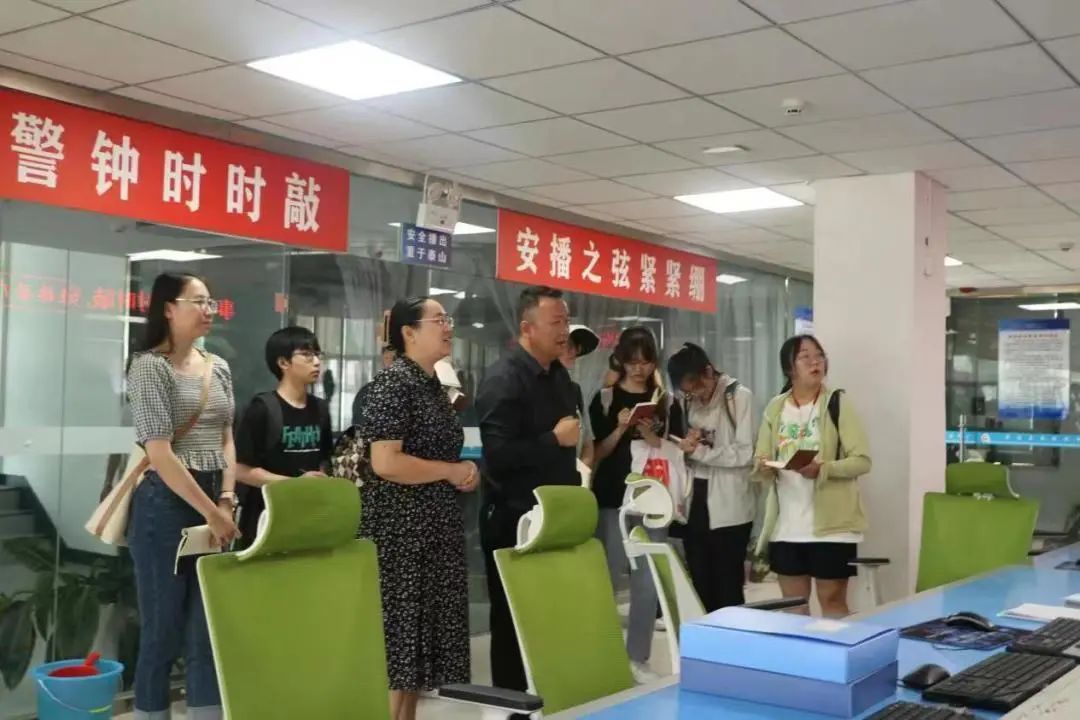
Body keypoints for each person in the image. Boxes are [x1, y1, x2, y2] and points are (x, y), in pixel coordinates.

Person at [126, 272, 240, 720]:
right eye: (199, 301)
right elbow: (159, 453)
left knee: (206, 631)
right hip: (165, 506)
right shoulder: (148, 367)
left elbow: (226, 437)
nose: (209, 310)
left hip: (214, 500)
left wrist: (226, 499)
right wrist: (213, 512)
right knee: (162, 631)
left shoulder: (218, 366)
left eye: (211, 302)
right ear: (168, 309)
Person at [357, 297, 478, 720]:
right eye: (438, 320)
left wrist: (464, 472)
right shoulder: (393, 384)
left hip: (433, 528)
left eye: (448, 319)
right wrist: (449, 471)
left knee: (417, 653)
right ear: (409, 333)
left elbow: (439, 453)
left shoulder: (431, 385)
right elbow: (385, 462)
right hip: (401, 535)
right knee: (400, 646)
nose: (448, 327)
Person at [476, 286, 580, 693]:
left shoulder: (558, 375)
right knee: (512, 619)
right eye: (556, 322)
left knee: (548, 616)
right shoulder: (503, 379)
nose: (564, 330)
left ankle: (547, 697)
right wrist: (554, 440)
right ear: (527, 327)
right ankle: (512, 705)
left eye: (566, 321)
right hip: (513, 518)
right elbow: (498, 456)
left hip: (553, 518)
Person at [754, 335, 872, 618]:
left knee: (833, 603)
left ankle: (840, 650)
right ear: (789, 368)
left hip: (833, 527)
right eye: (805, 357)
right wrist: (765, 466)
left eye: (819, 355)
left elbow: (862, 461)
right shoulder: (775, 408)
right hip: (786, 526)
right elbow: (760, 459)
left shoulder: (837, 403)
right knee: (793, 607)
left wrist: (823, 469)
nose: (815, 362)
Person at [588, 326, 667, 682]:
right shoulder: (605, 398)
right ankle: (602, 654)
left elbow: (673, 447)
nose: (639, 369)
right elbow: (597, 453)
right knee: (607, 577)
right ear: (620, 360)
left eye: (645, 362)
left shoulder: (664, 399)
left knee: (647, 582)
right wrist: (620, 428)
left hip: (652, 497)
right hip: (612, 497)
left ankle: (638, 657)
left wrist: (651, 434)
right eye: (632, 362)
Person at [667, 342, 756, 611]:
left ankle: (731, 637)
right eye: (687, 390)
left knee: (728, 586)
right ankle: (705, 634)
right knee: (700, 582)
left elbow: (746, 453)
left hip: (730, 507)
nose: (695, 394)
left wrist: (701, 453)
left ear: (708, 371)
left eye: (697, 386)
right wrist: (688, 447)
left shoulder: (738, 397)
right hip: (695, 501)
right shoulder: (689, 402)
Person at [234, 326, 332, 549]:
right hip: (266, 517)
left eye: (318, 354)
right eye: (307, 355)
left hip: (308, 517)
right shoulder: (262, 409)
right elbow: (240, 470)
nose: (317, 362)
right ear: (283, 363)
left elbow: (324, 459)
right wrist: (295, 484)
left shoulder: (320, 409)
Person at [561, 324, 600, 469]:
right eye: (569, 345)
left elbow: (588, 444)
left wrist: (581, 474)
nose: (574, 351)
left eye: (576, 346)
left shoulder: (575, 390)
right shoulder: (533, 390)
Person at [351, 343, 396, 425]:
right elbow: (358, 421)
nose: (391, 362)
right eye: (387, 358)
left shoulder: (408, 390)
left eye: (394, 358)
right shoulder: (367, 391)